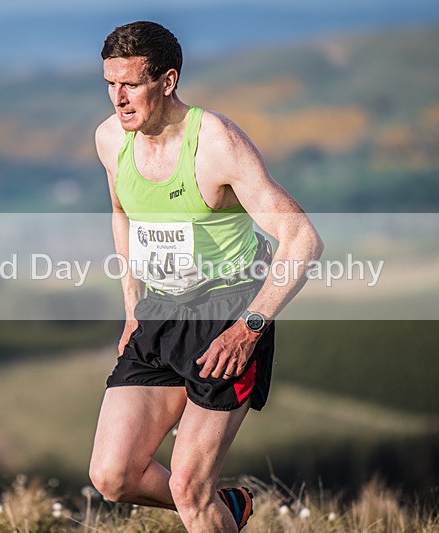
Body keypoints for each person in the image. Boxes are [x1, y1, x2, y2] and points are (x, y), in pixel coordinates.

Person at [89, 21, 323, 532]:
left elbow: (303, 239)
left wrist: (249, 328)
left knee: (189, 487)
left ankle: (206, 506)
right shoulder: (111, 140)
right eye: (110, 83)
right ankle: (229, 509)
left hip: (226, 316)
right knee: (112, 476)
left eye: (131, 84)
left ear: (167, 81)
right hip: (158, 315)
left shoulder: (215, 142)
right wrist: (131, 310)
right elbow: (121, 213)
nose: (118, 98)